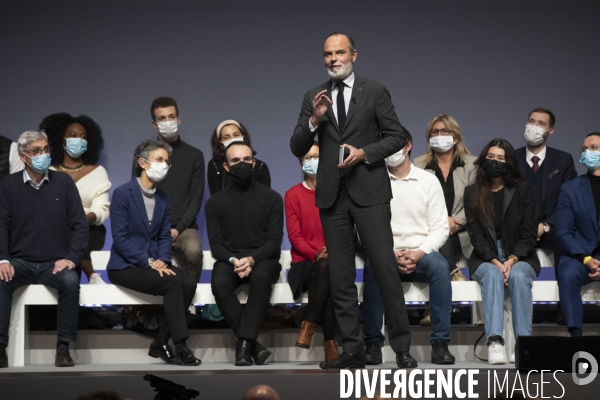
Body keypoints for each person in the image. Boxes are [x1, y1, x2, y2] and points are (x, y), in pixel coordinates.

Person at [291, 32, 413, 369]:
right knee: (341, 277)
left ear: (354, 55)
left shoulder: (374, 91)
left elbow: (395, 137)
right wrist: (314, 119)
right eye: (327, 54)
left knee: (386, 271)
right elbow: (297, 146)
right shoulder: (313, 96)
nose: (333, 59)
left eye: (340, 52)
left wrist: (364, 153)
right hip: (332, 195)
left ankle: (402, 348)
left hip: (369, 193)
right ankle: (353, 350)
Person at [362, 132, 455, 365]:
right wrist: (389, 254)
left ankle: (440, 343)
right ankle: (373, 343)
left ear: (408, 146)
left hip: (421, 253)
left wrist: (419, 252)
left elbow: (441, 228)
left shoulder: (428, 181)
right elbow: (366, 228)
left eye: (394, 145)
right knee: (373, 265)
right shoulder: (373, 182)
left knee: (440, 267)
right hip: (386, 253)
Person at [107, 139, 201, 366]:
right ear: (142, 162)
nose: (164, 165)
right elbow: (120, 239)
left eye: (167, 162)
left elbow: (164, 236)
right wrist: (150, 261)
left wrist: (162, 260)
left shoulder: (163, 197)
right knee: (173, 284)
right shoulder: (122, 194)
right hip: (125, 266)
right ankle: (180, 347)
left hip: (153, 263)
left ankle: (160, 341)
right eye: (159, 160)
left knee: (188, 283)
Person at [0, 130, 88, 368]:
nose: (43, 155)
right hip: (20, 262)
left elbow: (80, 225)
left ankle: (63, 348)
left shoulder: (64, 182)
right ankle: (0, 348)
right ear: (23, 156)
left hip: (55, 262)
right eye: (36, 151)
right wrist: (3, 259)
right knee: (0, 280)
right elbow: (1, 225)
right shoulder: (8, 185)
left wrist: (71, 258)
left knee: (71, 281)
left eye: (46, 149)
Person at [206, 142, 283, 366]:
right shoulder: (215, 203)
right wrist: (234, 260)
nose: (242, 164)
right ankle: (251, 344)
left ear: (254, 162)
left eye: (247, 160)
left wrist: (251, 259)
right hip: (229, 259)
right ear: (226, 167)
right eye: (236, 161)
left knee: (260, 277)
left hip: (263, 259)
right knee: (219, 282)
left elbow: (273, 241)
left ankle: (243, 346)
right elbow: (217, 245)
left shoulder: (272, 198)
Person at [465, 139, 540, 365]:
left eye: (500, 158)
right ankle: (495, 342)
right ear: (483, 159)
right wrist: (495, 261)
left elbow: (529, 231)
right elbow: (476, 235)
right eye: (490, 157)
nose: (495, 162)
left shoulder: (522, 189)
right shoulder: (472, 192)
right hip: (485, 256)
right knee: (492, 274)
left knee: (518, 276)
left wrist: (513, 258)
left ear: (508, 163)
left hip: (521, 254)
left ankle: (523, 345)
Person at [413, 114, 475, 325]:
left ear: (455, 137)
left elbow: (477, 202)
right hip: (430, 230)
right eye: (435, 132)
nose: (439, 135)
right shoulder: (418, 165)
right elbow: (415, 203)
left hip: (464, 231)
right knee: (438, 241)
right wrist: (441, 222)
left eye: (444, 131)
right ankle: (452, 273)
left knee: (441, 243)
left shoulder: (472, 164)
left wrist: (455, 221)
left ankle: (434, 309)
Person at [40, 112, 111, 284]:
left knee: (78, 233)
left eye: (83, 137)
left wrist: (81, 219)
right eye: (73, 136)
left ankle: (92, 277)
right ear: (62, 140)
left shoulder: (98, 171)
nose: (78, 140)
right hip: (57, 232)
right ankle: (92, 276)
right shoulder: (49, 173)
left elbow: (101, 208)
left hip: (90, 230)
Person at [285, 141, 339, 362]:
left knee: (326, 271)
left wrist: (331, 251)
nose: (312, 161)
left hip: (331, 260)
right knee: (324, 270)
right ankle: (331, 345)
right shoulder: (292, 195)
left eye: (316, 156)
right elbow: (295, 237)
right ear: (300, 164)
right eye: (307, 158)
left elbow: (344, 228)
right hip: (304, 264)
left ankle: (308, 325)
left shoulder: (336, 192)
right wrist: (316, 254)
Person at [143, 97, 205, 284]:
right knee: (139, 252)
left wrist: (177, 229)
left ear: (179, 120)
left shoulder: (194, 156)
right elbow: (139, 194)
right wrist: (155, 228)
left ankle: (188, 299)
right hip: (151, 227)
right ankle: (146, 307)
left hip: (184, 228)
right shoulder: (144, 154)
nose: (167, 122)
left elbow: (195, 199)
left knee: (194, 252)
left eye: (171, 116)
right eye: (162, 118)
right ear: (154, 124)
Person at [514, 108, 577, 276]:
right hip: (518, 228)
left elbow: (569, 200)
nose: (534, 126)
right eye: (531, 121)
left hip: (551, 227)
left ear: (550, 131)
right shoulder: (511, 158)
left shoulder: (563, 160)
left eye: (541, 123)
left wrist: (546, 225)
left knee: (565, 238)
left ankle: (563, 292)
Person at [556, 132, 600, 337]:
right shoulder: (570, 188)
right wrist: (587, 258)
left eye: (593, 148)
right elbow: (564, 232)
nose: (587, 153)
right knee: (567, 273)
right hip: (581, 256)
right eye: (584, 149)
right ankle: (576, 337)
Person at [207, 119, 271, 195]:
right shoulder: (214, 165)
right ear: (220, 144)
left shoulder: (260, 166)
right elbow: (215, 199)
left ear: (244, 137)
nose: (232, 139)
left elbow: (266, 198)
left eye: (236, 135)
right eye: (226, 137)